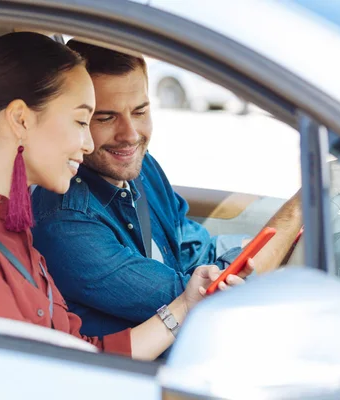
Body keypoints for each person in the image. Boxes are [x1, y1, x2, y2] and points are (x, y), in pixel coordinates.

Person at [0, 32, 247, 361]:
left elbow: (81, 352)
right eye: (84, 121)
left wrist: (184, 305)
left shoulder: (8, 227)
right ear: (20, 119)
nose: (86, 145)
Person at [29, 40, 305, 338]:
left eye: (140, 111)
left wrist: (279, 247)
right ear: (78, 121)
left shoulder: (141, 168)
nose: (130, 135)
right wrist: (301, 210)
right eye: (106, 117)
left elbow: (195, 252)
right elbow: (198, 300)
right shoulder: (67, 221)